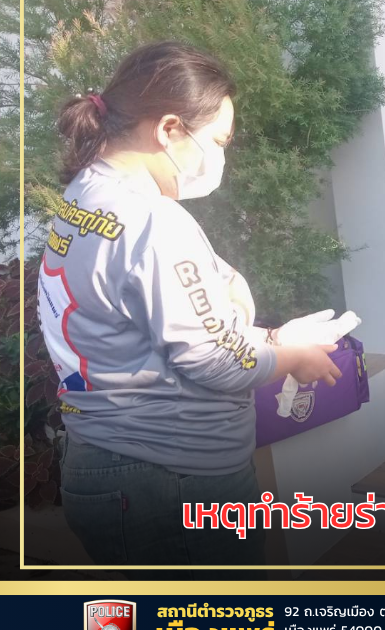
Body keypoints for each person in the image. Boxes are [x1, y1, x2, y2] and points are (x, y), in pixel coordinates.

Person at [39, 42, 341, 579]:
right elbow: (214, 359)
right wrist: (291, 357)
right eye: (219, 141)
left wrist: (257, 330)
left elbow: (160, 318)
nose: (220, 157)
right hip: (170, 480)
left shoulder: (85, 194)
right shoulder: (151, 220)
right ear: (169, 129)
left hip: (109, 460)